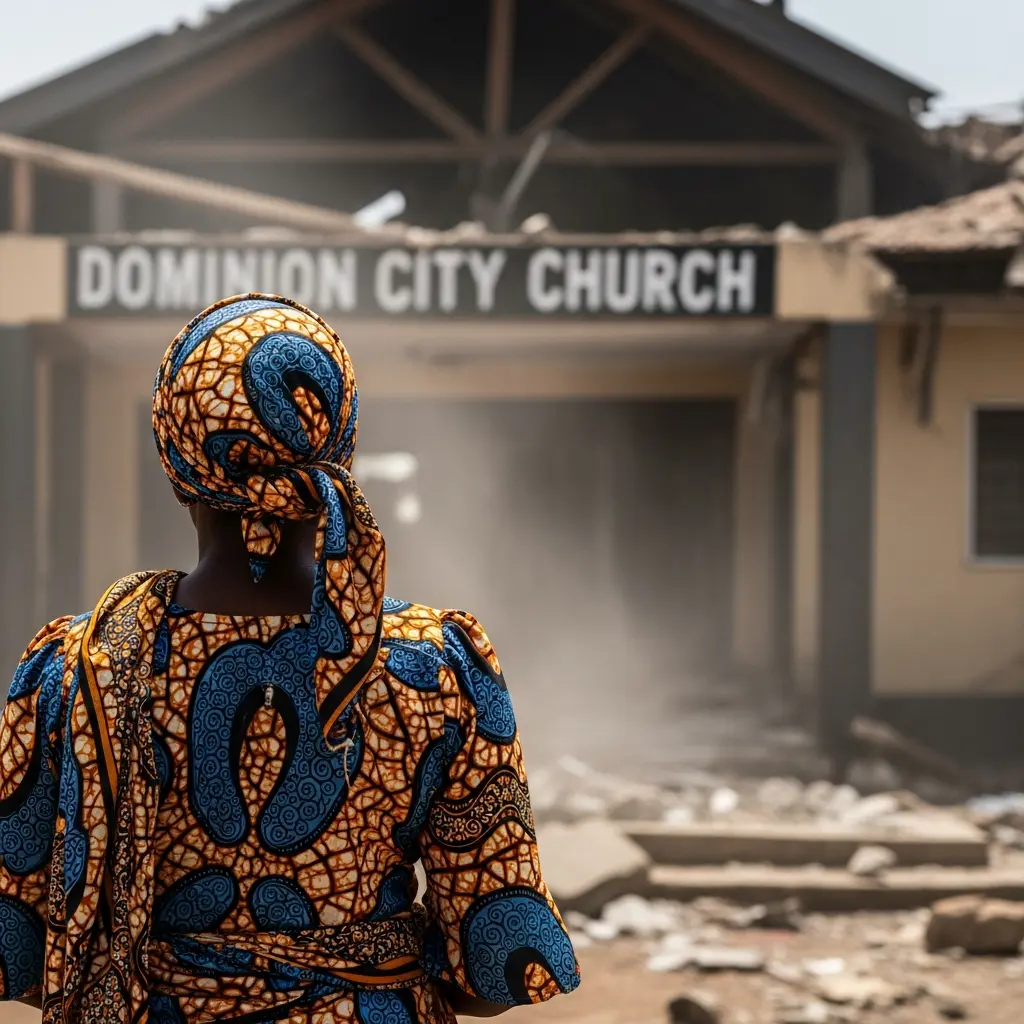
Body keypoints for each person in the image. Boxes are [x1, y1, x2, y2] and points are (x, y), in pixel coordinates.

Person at [0, 295, 580, 1023]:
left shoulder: (76, 668)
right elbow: (496, 973)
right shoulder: (435, 667)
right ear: (341, 446)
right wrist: (359, 959)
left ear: (176, 461)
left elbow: (21, 960)